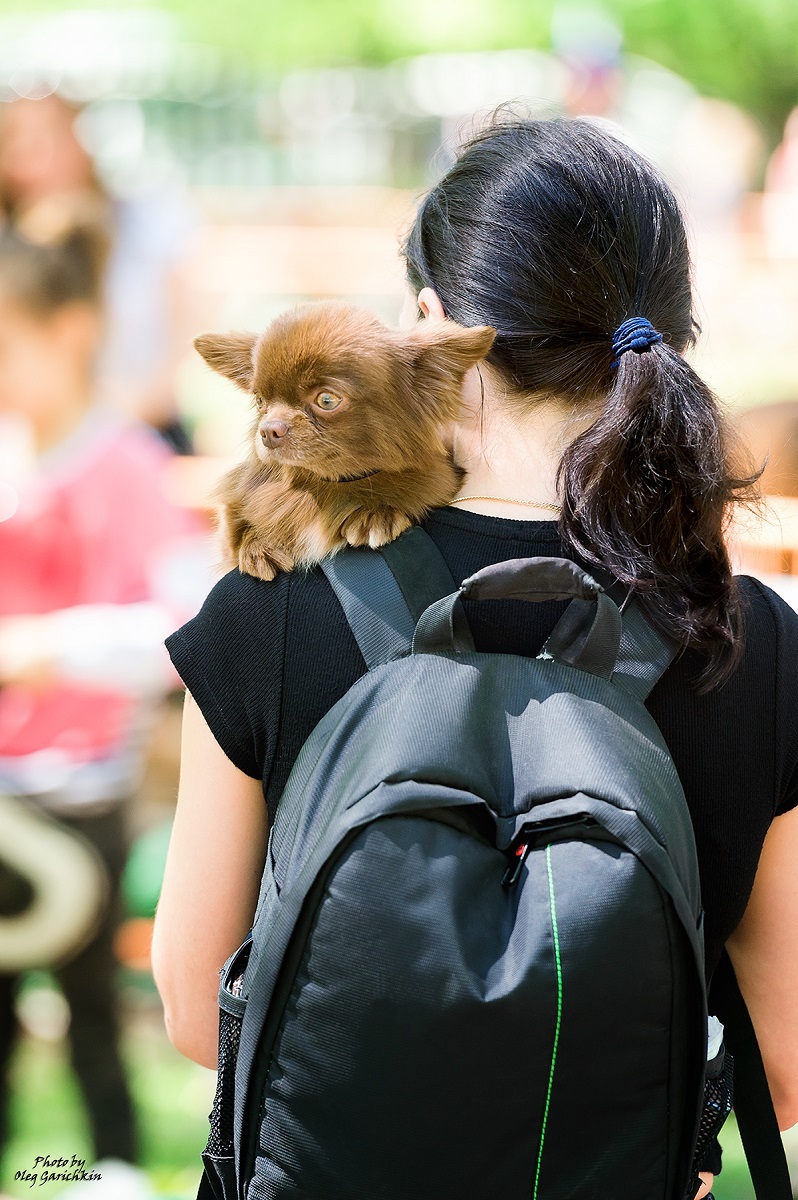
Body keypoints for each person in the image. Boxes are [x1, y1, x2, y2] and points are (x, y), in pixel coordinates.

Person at [152, 115, 798, 1198]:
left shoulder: (269, 607)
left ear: (427, 324)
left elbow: (189, 1008)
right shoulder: (751, 639)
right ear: (667, 336)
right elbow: (784, 1057)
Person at [0, 198, 198, 1196]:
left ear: (67, 332)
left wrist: (39, 649)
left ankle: (96, 1172)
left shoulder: (125, 466)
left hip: (78, 794)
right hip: (4, 798)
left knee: (89, 1029)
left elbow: (169, 632)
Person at [0, 92, 197, 451]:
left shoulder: (143, 224)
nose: (31, 152)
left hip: (141, 431)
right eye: (14, 136)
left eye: (48, 133)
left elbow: (187, 332)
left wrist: (126, 414)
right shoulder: (8, 247)